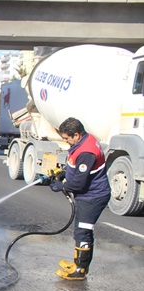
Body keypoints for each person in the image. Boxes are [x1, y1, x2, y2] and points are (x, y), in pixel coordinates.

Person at [50, 117, 111, 281]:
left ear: (76, 135)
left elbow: (78, 182)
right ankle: (78, 264)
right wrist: (64, 174)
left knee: (83, 232)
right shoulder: (84, 141)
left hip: (92, 197)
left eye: (67, 138)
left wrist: (62, 186)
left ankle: (80, 270)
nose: (66, 141)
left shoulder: (87, 152)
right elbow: (77, 171)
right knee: (80, 230)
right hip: (88, 195)